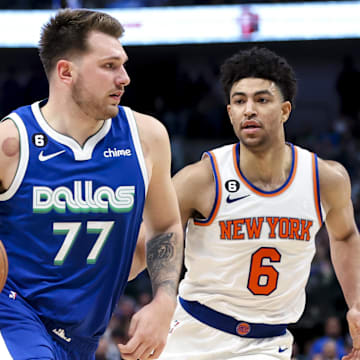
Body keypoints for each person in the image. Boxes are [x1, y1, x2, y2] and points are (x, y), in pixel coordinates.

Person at [0, 8, 183, 360]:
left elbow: (164, 226)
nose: (125, 77)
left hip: (81, 335)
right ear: (66, 72)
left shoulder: (146, 138)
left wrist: (163, 300)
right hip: (13, 313)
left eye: (123, 65)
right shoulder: (12, 142)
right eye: (110, 66)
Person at [157, 47, 360, 359]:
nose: (248, 109)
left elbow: (345, 235)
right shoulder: (199, 179)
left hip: (267, 342)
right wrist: (155, 299)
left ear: (285, 110)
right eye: (239, 101)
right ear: (229, 112)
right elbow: (155, 235)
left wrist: (357, 304)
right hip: (193, 332)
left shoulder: (326, 179)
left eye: (261, 100)